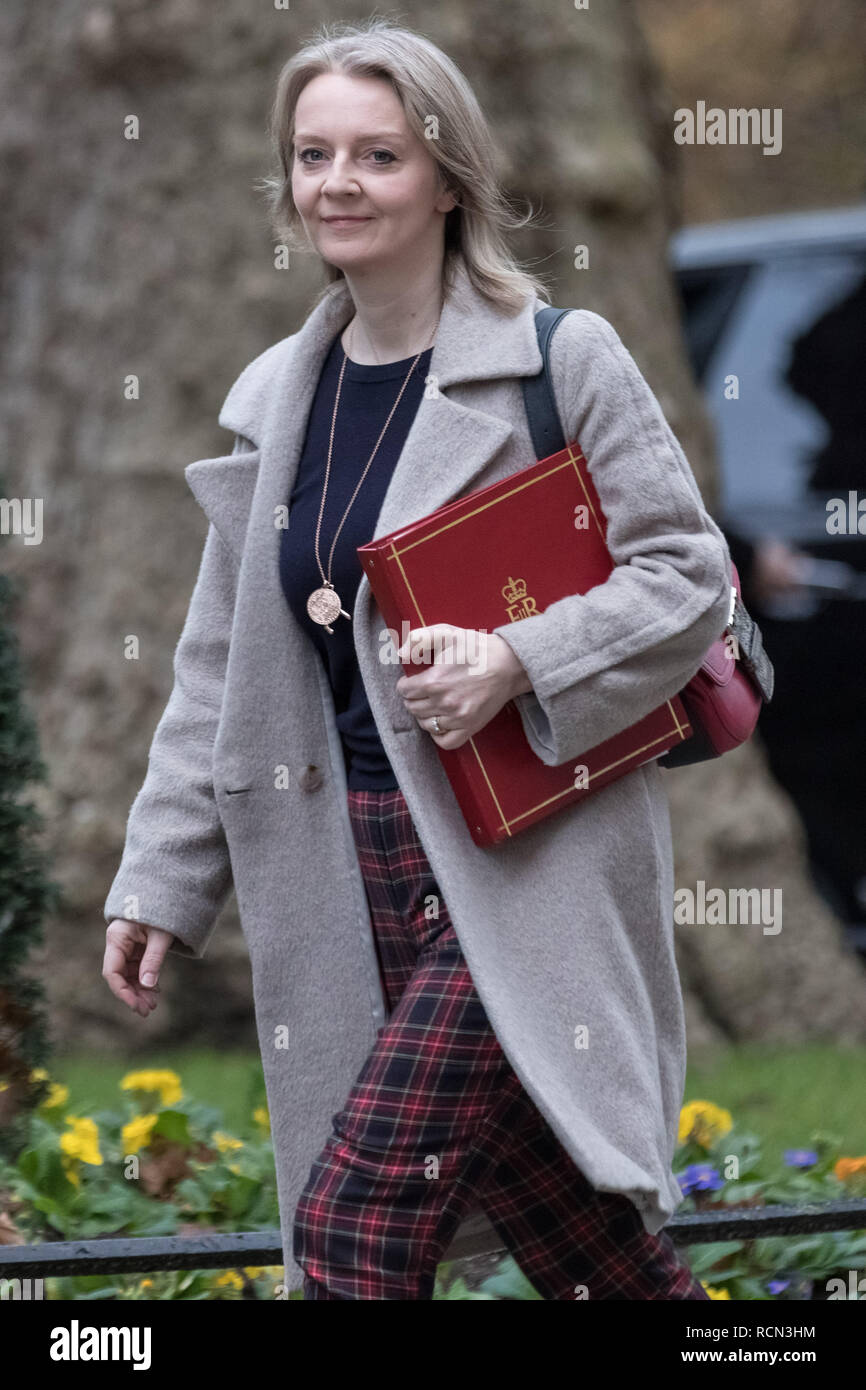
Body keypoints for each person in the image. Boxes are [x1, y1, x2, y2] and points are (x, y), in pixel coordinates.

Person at [102, 19, 733, 1299]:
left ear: (446, 177)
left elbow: (687, 576)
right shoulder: (275, 396)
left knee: (350, 1230)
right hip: (342, 868)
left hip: (521, 859)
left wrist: (515, 658)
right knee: (586, 1252)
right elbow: (220, 666)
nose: (334, 183)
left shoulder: (560, 358)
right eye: (311, 153)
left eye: (375, 155)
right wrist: (160, 880)